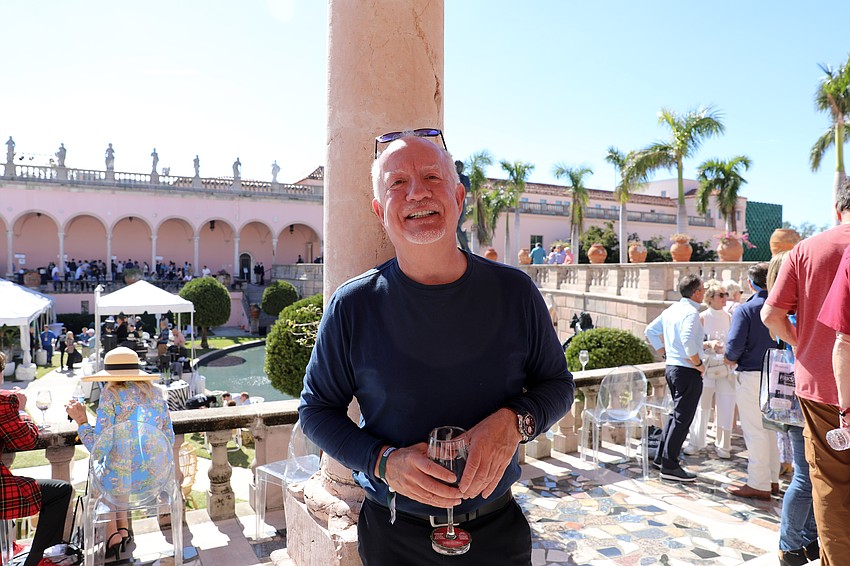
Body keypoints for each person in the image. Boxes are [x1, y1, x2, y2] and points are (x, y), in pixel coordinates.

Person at [299, 133, 573, 565]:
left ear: (459, 195)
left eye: (432, 176)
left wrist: (513, 423)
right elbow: (316, 411)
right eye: (397, 183)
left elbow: (557, 385)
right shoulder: (353, 306)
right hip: (393, 539)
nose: (418, 192)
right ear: (379, 211)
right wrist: (383, 461)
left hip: (496, 532)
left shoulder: (514, 292)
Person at [762, 180, 850, 566]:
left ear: (836, 208)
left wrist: (801, 345)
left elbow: (771, 314)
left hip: (819, 386)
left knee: (830, 485)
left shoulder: (806, 250)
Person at [66, 347, 174, 561]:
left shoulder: (111, 396)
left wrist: (81, 421)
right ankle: (123, 528)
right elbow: (168, 438)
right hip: (155, 482)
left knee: (101, 469)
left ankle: (113, 535)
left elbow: (99, 447)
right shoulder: (156, 395)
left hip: (125, 481)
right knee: (120, 465)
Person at [765, 250, 818, 565]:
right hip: (801, 401)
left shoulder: (786, 310)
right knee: (805, 475)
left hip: (794, 401)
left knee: (811, 473)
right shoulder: (792, 313)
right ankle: (790, 545)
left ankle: (808, 539)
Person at [1, 352, 74, 566]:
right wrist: (21, 410)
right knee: (60, 491)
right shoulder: (4, 401)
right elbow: (27, 440)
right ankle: (39, 561)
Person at [722, 263, 779, 500]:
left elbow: (733, 347)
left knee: (755, 430)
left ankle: (759, 483)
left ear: (750, 283)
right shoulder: (783, 306)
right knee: (772, 430)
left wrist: (728, 359)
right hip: (777, 374)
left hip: (753, 374)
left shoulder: (746, 309)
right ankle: (772, 479)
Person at [645, 274, 706, 481]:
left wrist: (665, 353)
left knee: (675, 415)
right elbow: (688, 341)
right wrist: (698, 363)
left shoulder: (672, 309)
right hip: (686, 370)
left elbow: (650, 331)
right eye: (703, 289)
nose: (704, 293)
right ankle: (670, 466)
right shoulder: (691, 313)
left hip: (672, 367)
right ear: (696, 293)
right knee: (682, 418)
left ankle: (662, 459)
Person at [683, 281, 733, 458]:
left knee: (726, 405)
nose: (725, 298)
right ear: (710, 299)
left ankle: (724, 445)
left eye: (726, 294)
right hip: (707, 366)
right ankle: (696, 442)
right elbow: (694, 343)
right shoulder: (702, 317)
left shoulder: (729, 316)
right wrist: (710, 344)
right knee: (702, 406)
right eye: (721, 295)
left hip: (724, 367)